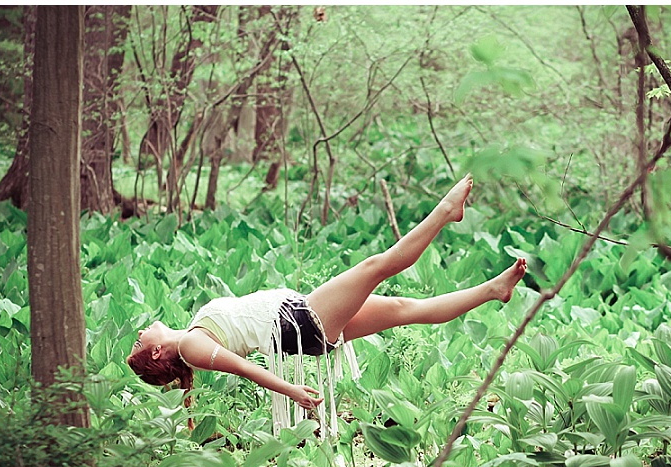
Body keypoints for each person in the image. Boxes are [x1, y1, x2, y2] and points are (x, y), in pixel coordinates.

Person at [126, 174, 527, 435]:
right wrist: (294, 392)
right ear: (158, 351)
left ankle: (493, 290)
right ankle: (445, 212)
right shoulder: (191, 346)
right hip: (299, 323)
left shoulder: (192, 337)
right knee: (377, 265)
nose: (140, 333)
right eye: (138, 343)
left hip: (299, 320)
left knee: (407, 308)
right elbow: (247, 370)